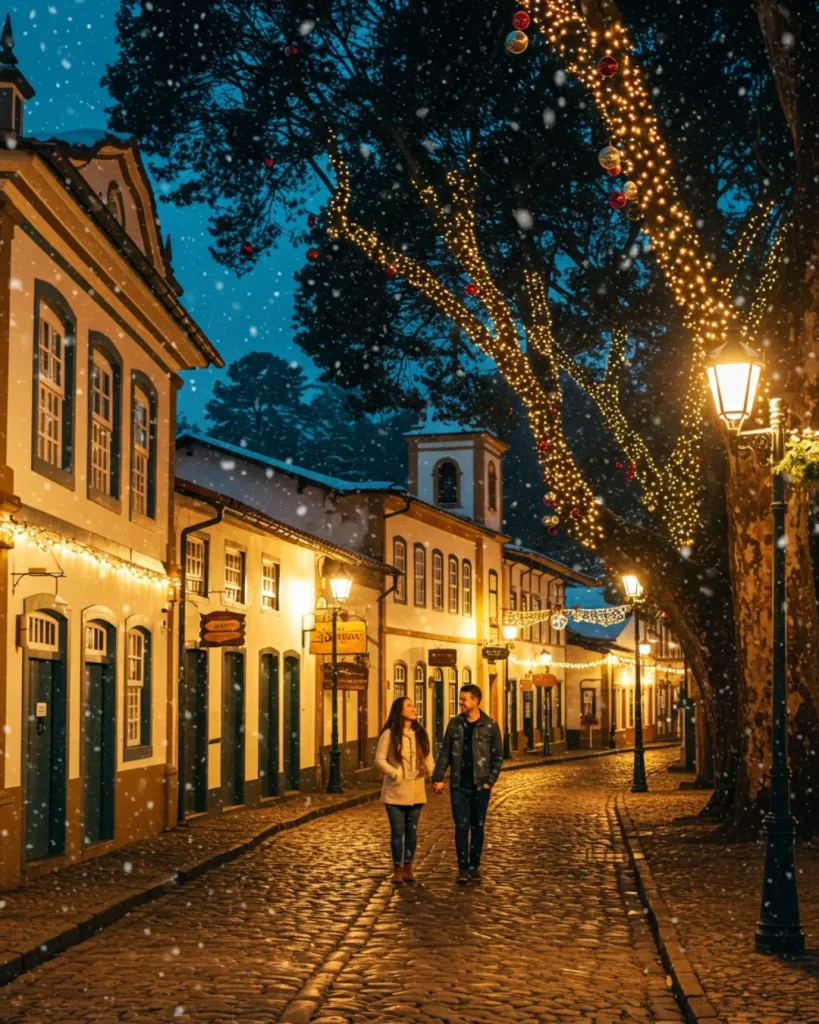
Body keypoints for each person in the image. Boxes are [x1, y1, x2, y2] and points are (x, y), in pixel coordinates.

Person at [432, 683, 503, 884]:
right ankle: (463, 868)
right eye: (461, 699)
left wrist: (490, 781)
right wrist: (437, 777)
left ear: (476, 701)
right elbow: (445, 751)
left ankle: (475, 866)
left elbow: (498, 757)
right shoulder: (455, 724)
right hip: (459, 785)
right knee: (461, 826)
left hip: (481, 785)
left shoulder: (490, 726)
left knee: (477, 826)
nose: (460, 703)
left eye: (464, 699)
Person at [374, 696, 435, 885]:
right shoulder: (390, 734)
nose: (413, 709)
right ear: (400, 711)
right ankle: (397, 868)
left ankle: (409, 867)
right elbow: (379, 760)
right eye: (409, 706)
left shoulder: (421, 733)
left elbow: (428, 756)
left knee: (412, 832)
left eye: (413, 706)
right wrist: (395, 773)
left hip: (416, 789)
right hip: (396, 790)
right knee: (397, 831)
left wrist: (430, 770)